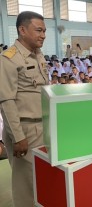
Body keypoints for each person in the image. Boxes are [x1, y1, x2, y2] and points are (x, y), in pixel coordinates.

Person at [0, 11, 49, 207]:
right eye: (39, 30)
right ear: (22, 30)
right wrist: (18, 137)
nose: (43, 35)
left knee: (41, 180)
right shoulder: (9, 58)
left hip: (43, 127)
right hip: (24, 131)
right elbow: (6, 101)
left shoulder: (38, 55)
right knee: (25, 185)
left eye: (44, 30)